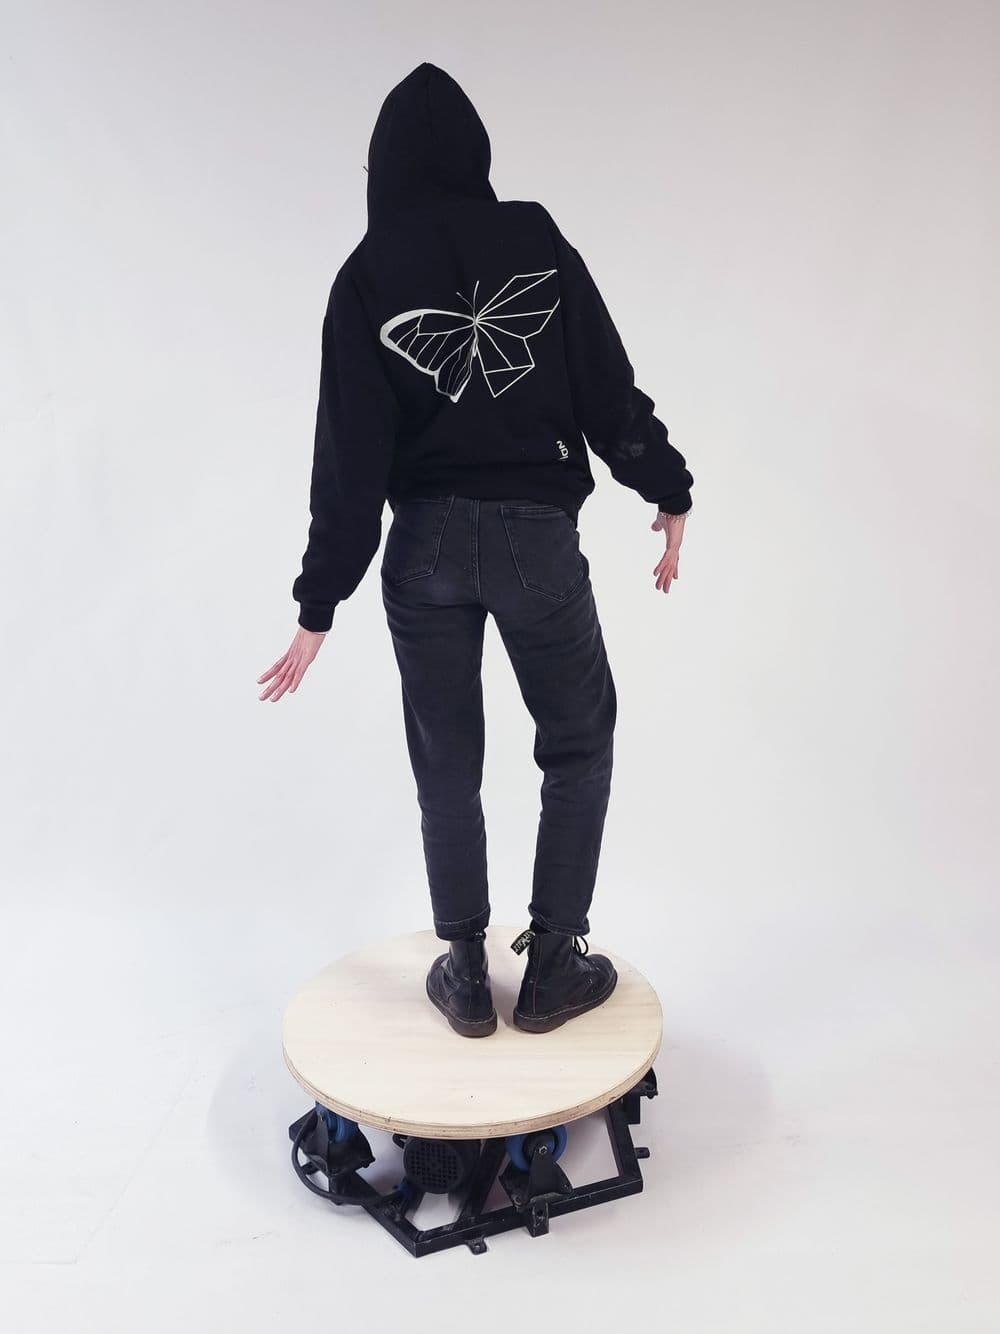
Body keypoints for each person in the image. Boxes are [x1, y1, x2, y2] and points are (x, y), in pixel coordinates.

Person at [257, 61, 694, 1039]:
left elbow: (348, 457)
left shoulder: (367, 273)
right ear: (472, 155)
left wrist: (319, 602)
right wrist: (666, 486)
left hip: (425, 549)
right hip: (535, 538)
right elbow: (606, 390)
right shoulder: (534, 238)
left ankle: (463, 970)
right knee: (577, 740)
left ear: (384, 167)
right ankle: (554, 965)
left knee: (445, 759)